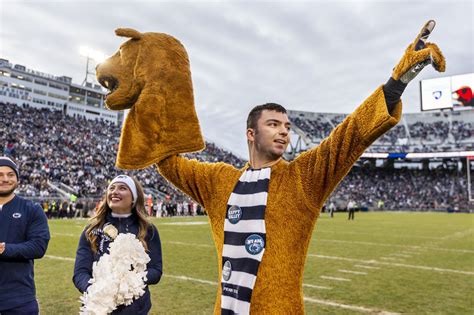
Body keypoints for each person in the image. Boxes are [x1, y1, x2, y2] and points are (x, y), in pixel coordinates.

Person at [156, 21, 445, 314]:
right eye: (273, 124)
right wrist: (151, 98)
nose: (284, 132)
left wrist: (397, 83)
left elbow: (350, 136)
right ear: (251, 134)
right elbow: (169, 164)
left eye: (287, 126)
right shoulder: (218, 180)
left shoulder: (302, 177)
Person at [73, 175, 163, 314]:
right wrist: (98, 291)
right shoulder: (92, 230)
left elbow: (156, 270)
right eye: (111, 188)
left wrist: (131, 282)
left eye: (122, 188)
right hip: (101, 309)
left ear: (134, 197)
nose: (114, 191)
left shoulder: (147, 230)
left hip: (136, 309)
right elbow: (80, 273)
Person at [0, 156, 50, 314]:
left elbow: (38, 247)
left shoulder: (32, 209)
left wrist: (4, 249)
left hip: (19, 299)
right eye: (0, 175)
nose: (5, 179)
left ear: (17, 179)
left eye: (10, 174)